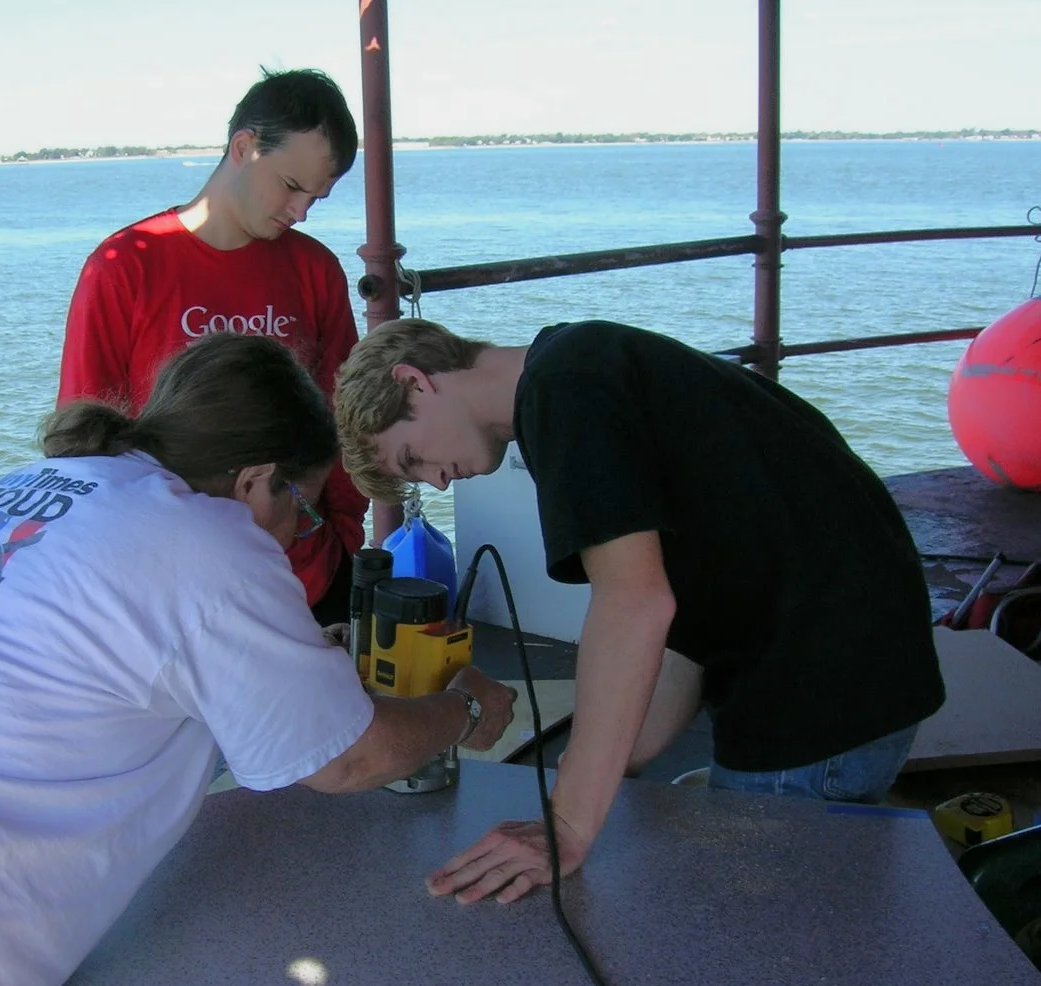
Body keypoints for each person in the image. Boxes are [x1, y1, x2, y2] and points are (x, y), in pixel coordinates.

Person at [0, 332, 516, 986]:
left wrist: (302, 667)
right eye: (302, 504)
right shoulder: (210, 538)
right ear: (257, 480)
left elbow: (67, 676)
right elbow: (348, 758)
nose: (302, 530)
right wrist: (466, 707)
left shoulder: (34, 485)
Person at [334, 317, 945, 906]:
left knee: (759, 937)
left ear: (415, 381)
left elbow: (634, 603)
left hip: (819, 698)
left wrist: (569, 822)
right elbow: (679, 616)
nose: (436, 485)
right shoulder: (582, 364)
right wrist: (605, 766)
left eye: (411, 458)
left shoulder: (564, 393)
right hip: (861, 670)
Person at [57, 67, 367, 626]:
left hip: (300, 576)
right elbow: (82, 442)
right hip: (168, 584)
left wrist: (342, 538)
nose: (299, 212)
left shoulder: (316, 269)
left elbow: (343, 417)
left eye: (316, 200)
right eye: (292, 186)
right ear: (244, 147)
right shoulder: (125, 266)